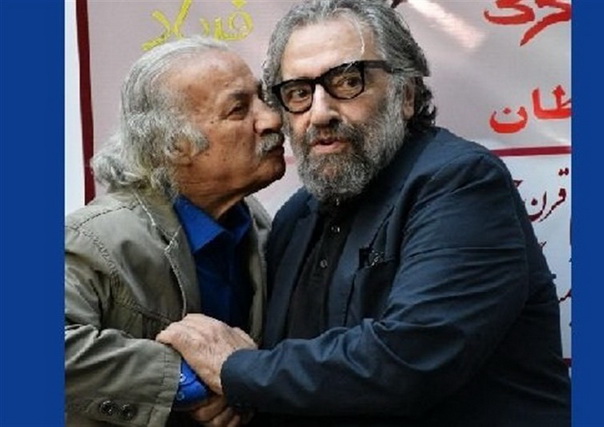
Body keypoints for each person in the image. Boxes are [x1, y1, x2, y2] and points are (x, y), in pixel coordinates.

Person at [157, 1, 572, 426]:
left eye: (348, 82)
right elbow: (294, 373)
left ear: (405, 95)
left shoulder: (461, 183)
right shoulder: (295, 217)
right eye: (299, 93)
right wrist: (234, 396)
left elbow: (407, 361)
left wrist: (236, 371)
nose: (320, 113)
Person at [65, 36, 285, 427]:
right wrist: (192, 381)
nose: (271, 119)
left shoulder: (260, 223)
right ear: (173, 145)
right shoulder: (92, 239)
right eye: (238, 109)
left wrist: (245, 378)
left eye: (263, 98)